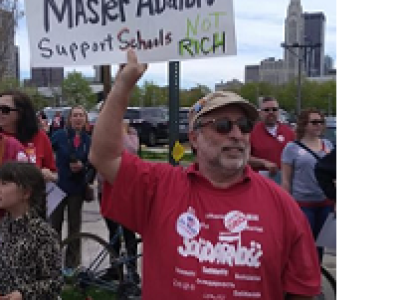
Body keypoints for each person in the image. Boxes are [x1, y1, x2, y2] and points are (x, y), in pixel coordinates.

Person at [90, 50, 321, 300]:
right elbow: (104, 157)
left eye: (244, 126)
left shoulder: (283, 206)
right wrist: (123, 85)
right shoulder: (159, 187)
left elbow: (302, 291)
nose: (236, 134)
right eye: (222, 126)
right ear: (194, 139)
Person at [0, 161, 63, 299]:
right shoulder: (4, 226)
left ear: (26, 193)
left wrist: (23, 294)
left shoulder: (42, 233)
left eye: (4, 184)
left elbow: (55, 282)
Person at [281, 108, 335, 263]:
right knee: (304, 245)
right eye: (314, 122)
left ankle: (317, 276)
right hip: (303, 204)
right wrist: (287, 206)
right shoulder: (292, 148)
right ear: (304, 124)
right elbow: (286, 180)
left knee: (321, 245)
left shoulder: (328, 145)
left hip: (325, 203)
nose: (318, 125)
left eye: (321, 122)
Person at [98, 118, 140, 282]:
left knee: (129, 232)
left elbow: (130, 151)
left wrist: (122, 131)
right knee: (113, 231)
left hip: (127, 190)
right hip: (106, 189)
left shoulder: (131, 134)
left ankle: (131, 270)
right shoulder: (103, 134)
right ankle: (115, 268)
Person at [50, 106, 91, 266]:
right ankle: (53, 262)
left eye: (81, 115)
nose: (78, 118)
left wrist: (84, 166)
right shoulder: (59, 136)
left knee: (75, 227)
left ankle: (72, 264)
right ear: (70, 119)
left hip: (77, 188)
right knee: (55, 226)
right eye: (75, 115)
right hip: (59, 186)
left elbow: (92, 162)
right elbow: (47, 152)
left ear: (85, 119)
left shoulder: (88, 140)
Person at [0, 90, 57, 182]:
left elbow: (54, 173)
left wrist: (49, 175)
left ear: (20, 113)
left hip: (31, 194)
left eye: (5, 110)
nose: (0, 113)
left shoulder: (39, 137)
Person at [249, 96, 295, 184]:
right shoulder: (251, 133)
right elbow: (244, 158)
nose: (271, 112)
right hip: (259, 182)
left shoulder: (289, 133)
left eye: (274, 109)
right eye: (266, 110)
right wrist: (263, 163)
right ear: (260, 113)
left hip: (284, 182)